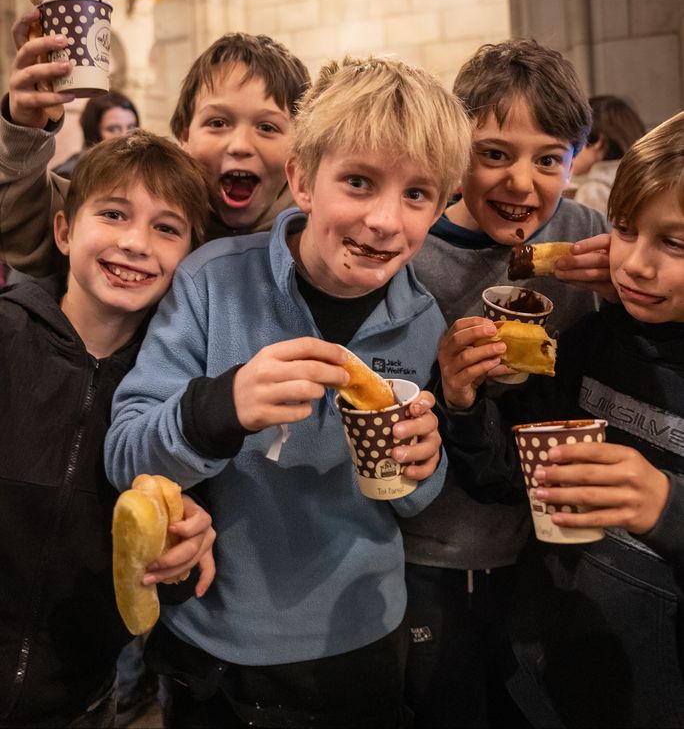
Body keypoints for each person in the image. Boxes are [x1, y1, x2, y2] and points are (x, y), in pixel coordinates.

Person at [104, 56, 472, 729]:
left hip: (359, 635)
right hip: (212, 640)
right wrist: (222, 406)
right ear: (302, 178)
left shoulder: (424, 321)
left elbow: (418, 498)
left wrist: (426, 464)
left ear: (443, 203)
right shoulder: (210, 283)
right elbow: (126, 451)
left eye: (417, 195)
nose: (385, 221)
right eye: (358, 182)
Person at [439, 110, 684, 728]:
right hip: (540, 677)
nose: (635, 265)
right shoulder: (590, 342)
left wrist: (666, 506)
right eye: (625, 231)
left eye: (674, 243)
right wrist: (466, 405)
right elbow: (506, 478)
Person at [403, 39, 614, 729]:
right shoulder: (410, 249)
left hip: (548, 557)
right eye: (494, 153)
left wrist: (637, 291)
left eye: (548, 158)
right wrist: (451, 386)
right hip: (427, 555)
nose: (522, 183)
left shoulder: (589, 239)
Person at [0, 131, 217, 729]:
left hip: (83, 700)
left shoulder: (175, 399)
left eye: (166, 228)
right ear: (65, 231)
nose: (134, 243)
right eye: (114, 214)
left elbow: (157, 583)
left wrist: (180, 554)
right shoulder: (8, 335)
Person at [0, 10, 310, 275]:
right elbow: (29, 223)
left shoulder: (316, 238)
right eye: (217, 123)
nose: (240, 145)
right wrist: (24, 129)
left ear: (298, 146)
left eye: (267, 127)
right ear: (184, 136)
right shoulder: (144, 208)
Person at [569, 93, 646, 216]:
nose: (569, 150)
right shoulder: (649, 177)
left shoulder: (594, 191)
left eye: (573, 140)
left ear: (597, 141)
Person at [53, 90, 140, 178]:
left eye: (131, 128)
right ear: (93, 132)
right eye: (113, 129)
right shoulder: (71, 174)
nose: (125, 136)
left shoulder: (138, 170)